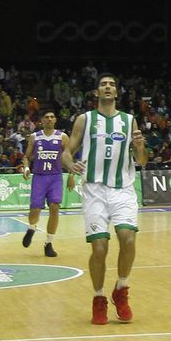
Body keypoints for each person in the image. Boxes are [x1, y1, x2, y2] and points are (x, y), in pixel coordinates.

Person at [65, 74, 147, 324]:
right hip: (94, 189)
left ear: (117, 92)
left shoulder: (129, 120)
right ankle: (99, 297)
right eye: (103, 84)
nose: (108, 87)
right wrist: (70, 165)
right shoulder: (85, 119)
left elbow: (142, 161)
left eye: (111, 84)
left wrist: (140, 148)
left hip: (123, 188)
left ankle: (121, 289)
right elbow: (66, 152)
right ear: (97, 92)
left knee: (128, 238)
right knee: (100, 247)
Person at [21, 109, 72, 259]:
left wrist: (72, 174)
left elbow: (69, 157)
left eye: (52, 117)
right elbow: (26, 157)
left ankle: (49, 243)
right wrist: (26, 167)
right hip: (39, 177)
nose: (49, 119)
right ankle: (32, 228)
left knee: (55, 207)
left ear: (55, 120)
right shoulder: (35, 137)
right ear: (42, 120)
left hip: (55, 177)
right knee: (35, 210)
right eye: (46, 117)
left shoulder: (62, 137)